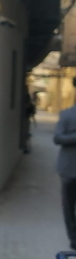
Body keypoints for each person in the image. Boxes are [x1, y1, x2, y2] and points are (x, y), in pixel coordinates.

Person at [54, 103, 76, 250]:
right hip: (69, 168)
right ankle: (73, 238)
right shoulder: (67, 114)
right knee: (69, 206)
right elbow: (57, 138)